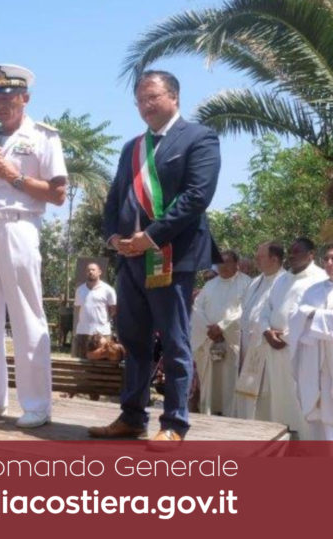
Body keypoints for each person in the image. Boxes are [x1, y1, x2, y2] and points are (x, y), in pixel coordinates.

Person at [90, 70, 221, 442]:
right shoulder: (131, 147)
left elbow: (197, 196)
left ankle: (174, 423)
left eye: (153, 97)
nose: (145, 106)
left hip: (170, 256)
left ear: (174, 97)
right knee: (133, 340)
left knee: (175, 341)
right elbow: (115, 199)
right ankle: (132, 416)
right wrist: (115, 238)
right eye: (139, 100)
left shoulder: (199, 138)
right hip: (129, 259)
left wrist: (149, 237)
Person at [0, 64, 67, 429]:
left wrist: (13, 176)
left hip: (20, 227)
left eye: (8, 96)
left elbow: (57, 194)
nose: (1, 103)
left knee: (26, 316)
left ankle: (36, 404)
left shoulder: (44, 136)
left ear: (25, 98)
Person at [256, 237, 325, 437]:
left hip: (301, 352)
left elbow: (314, 316)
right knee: (280, 401)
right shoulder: (282, 279)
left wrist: (285, 336)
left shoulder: (319, 279)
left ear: (311, 255)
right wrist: (266, 330)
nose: (292, 257)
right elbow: (265, 311)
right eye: (291, 252)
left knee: (301, 400)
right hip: (275, 351)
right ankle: (282, 439)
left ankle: (305, 445)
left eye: (298, 252)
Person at [189, 250, 251, 416]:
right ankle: (209, 412)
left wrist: (222, 327)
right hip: (209, 340)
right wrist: (209, 329)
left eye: (227, 261)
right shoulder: (210, 284)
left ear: (236, 263)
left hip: (232, 342)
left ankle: (232, 414)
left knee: (230, 382)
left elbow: (245, 309)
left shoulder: (247, 284)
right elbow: (197, 307)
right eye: (220, 262)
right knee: (210, 383)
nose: (223, 266)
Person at [234, 242, 286, 419]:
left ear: (274, 259)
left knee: (267, 394)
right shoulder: (256, 281)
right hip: (248, 346)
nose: (256, 259)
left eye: (260, 256)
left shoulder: (284, 282)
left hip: (268, 347)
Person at [287, 245, 333, 440]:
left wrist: (313, 315)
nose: (329, 263)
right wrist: (310, 316)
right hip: (315, 362)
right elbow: (295, 315)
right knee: (320, 415)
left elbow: (307, 315)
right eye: (327, 259)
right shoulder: (313, 290)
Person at [73, 262, 117, 359]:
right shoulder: (80, 290)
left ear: (99, 272)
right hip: (83, 332)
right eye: (88, 270)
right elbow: (79, 308)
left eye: (93, 270)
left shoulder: (108, 290)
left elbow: (113, 310)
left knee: (102, 365)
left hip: (102, 333)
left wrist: (103, 323)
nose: (90, 272)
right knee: (81, 364)